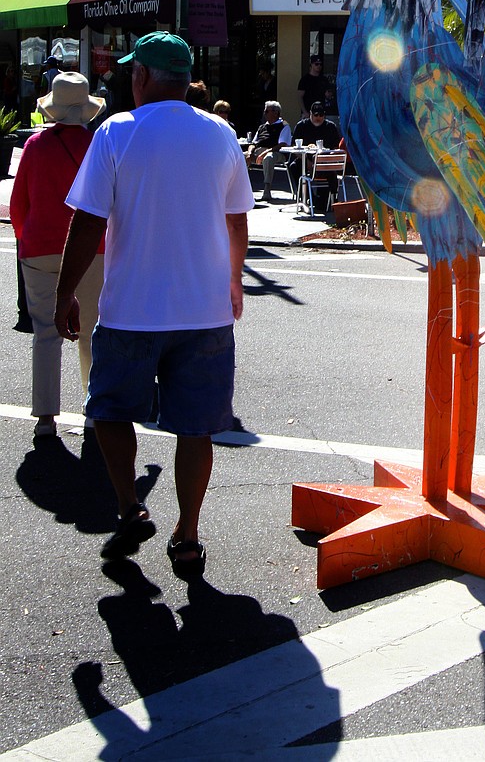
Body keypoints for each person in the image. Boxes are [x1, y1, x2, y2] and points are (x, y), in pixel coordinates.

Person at [54, 32, 254, 577]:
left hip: (131, 310)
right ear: (185, 79)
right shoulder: (221, 134)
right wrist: (234, 279)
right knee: (196, 428)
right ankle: (187, 535)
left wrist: (65, 291)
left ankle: (130, 506)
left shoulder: (117, 131)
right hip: (205, 311)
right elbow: (237, 219)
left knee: (109, 411)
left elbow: (88, 220)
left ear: (141, 76)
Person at [10, 72, 106, 439]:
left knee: (45, 332)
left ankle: (46, 418)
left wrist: (27, 239)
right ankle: (93, 411)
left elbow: (19, 204)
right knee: (91, 330)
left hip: (40, 247)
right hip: (90, 248)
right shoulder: (97, 145)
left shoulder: (34, 145)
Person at [289, 102, 341, 207]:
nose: (318, 117)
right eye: (316, 114)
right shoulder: (302, 126)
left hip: (325, 161)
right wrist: (307, 161)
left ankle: (329, 199)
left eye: (321, 115)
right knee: (294, 166)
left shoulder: (330, 127)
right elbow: (294, 147)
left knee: (322, 205)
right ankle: (307, 196)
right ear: (310, 114)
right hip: (305, 159)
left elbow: (336, 148)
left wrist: (323, 161)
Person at [244, 100, 290, 169]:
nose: (264, 114)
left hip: (276, 153)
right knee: (240, 155)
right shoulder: (262, 127)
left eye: (267, 111)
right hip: (258, 151)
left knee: (268, 157)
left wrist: (266, 152)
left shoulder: (284, 126)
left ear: (275, 113)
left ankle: (267, 177)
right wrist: (249, 153)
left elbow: (282, 145)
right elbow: (253, 143)